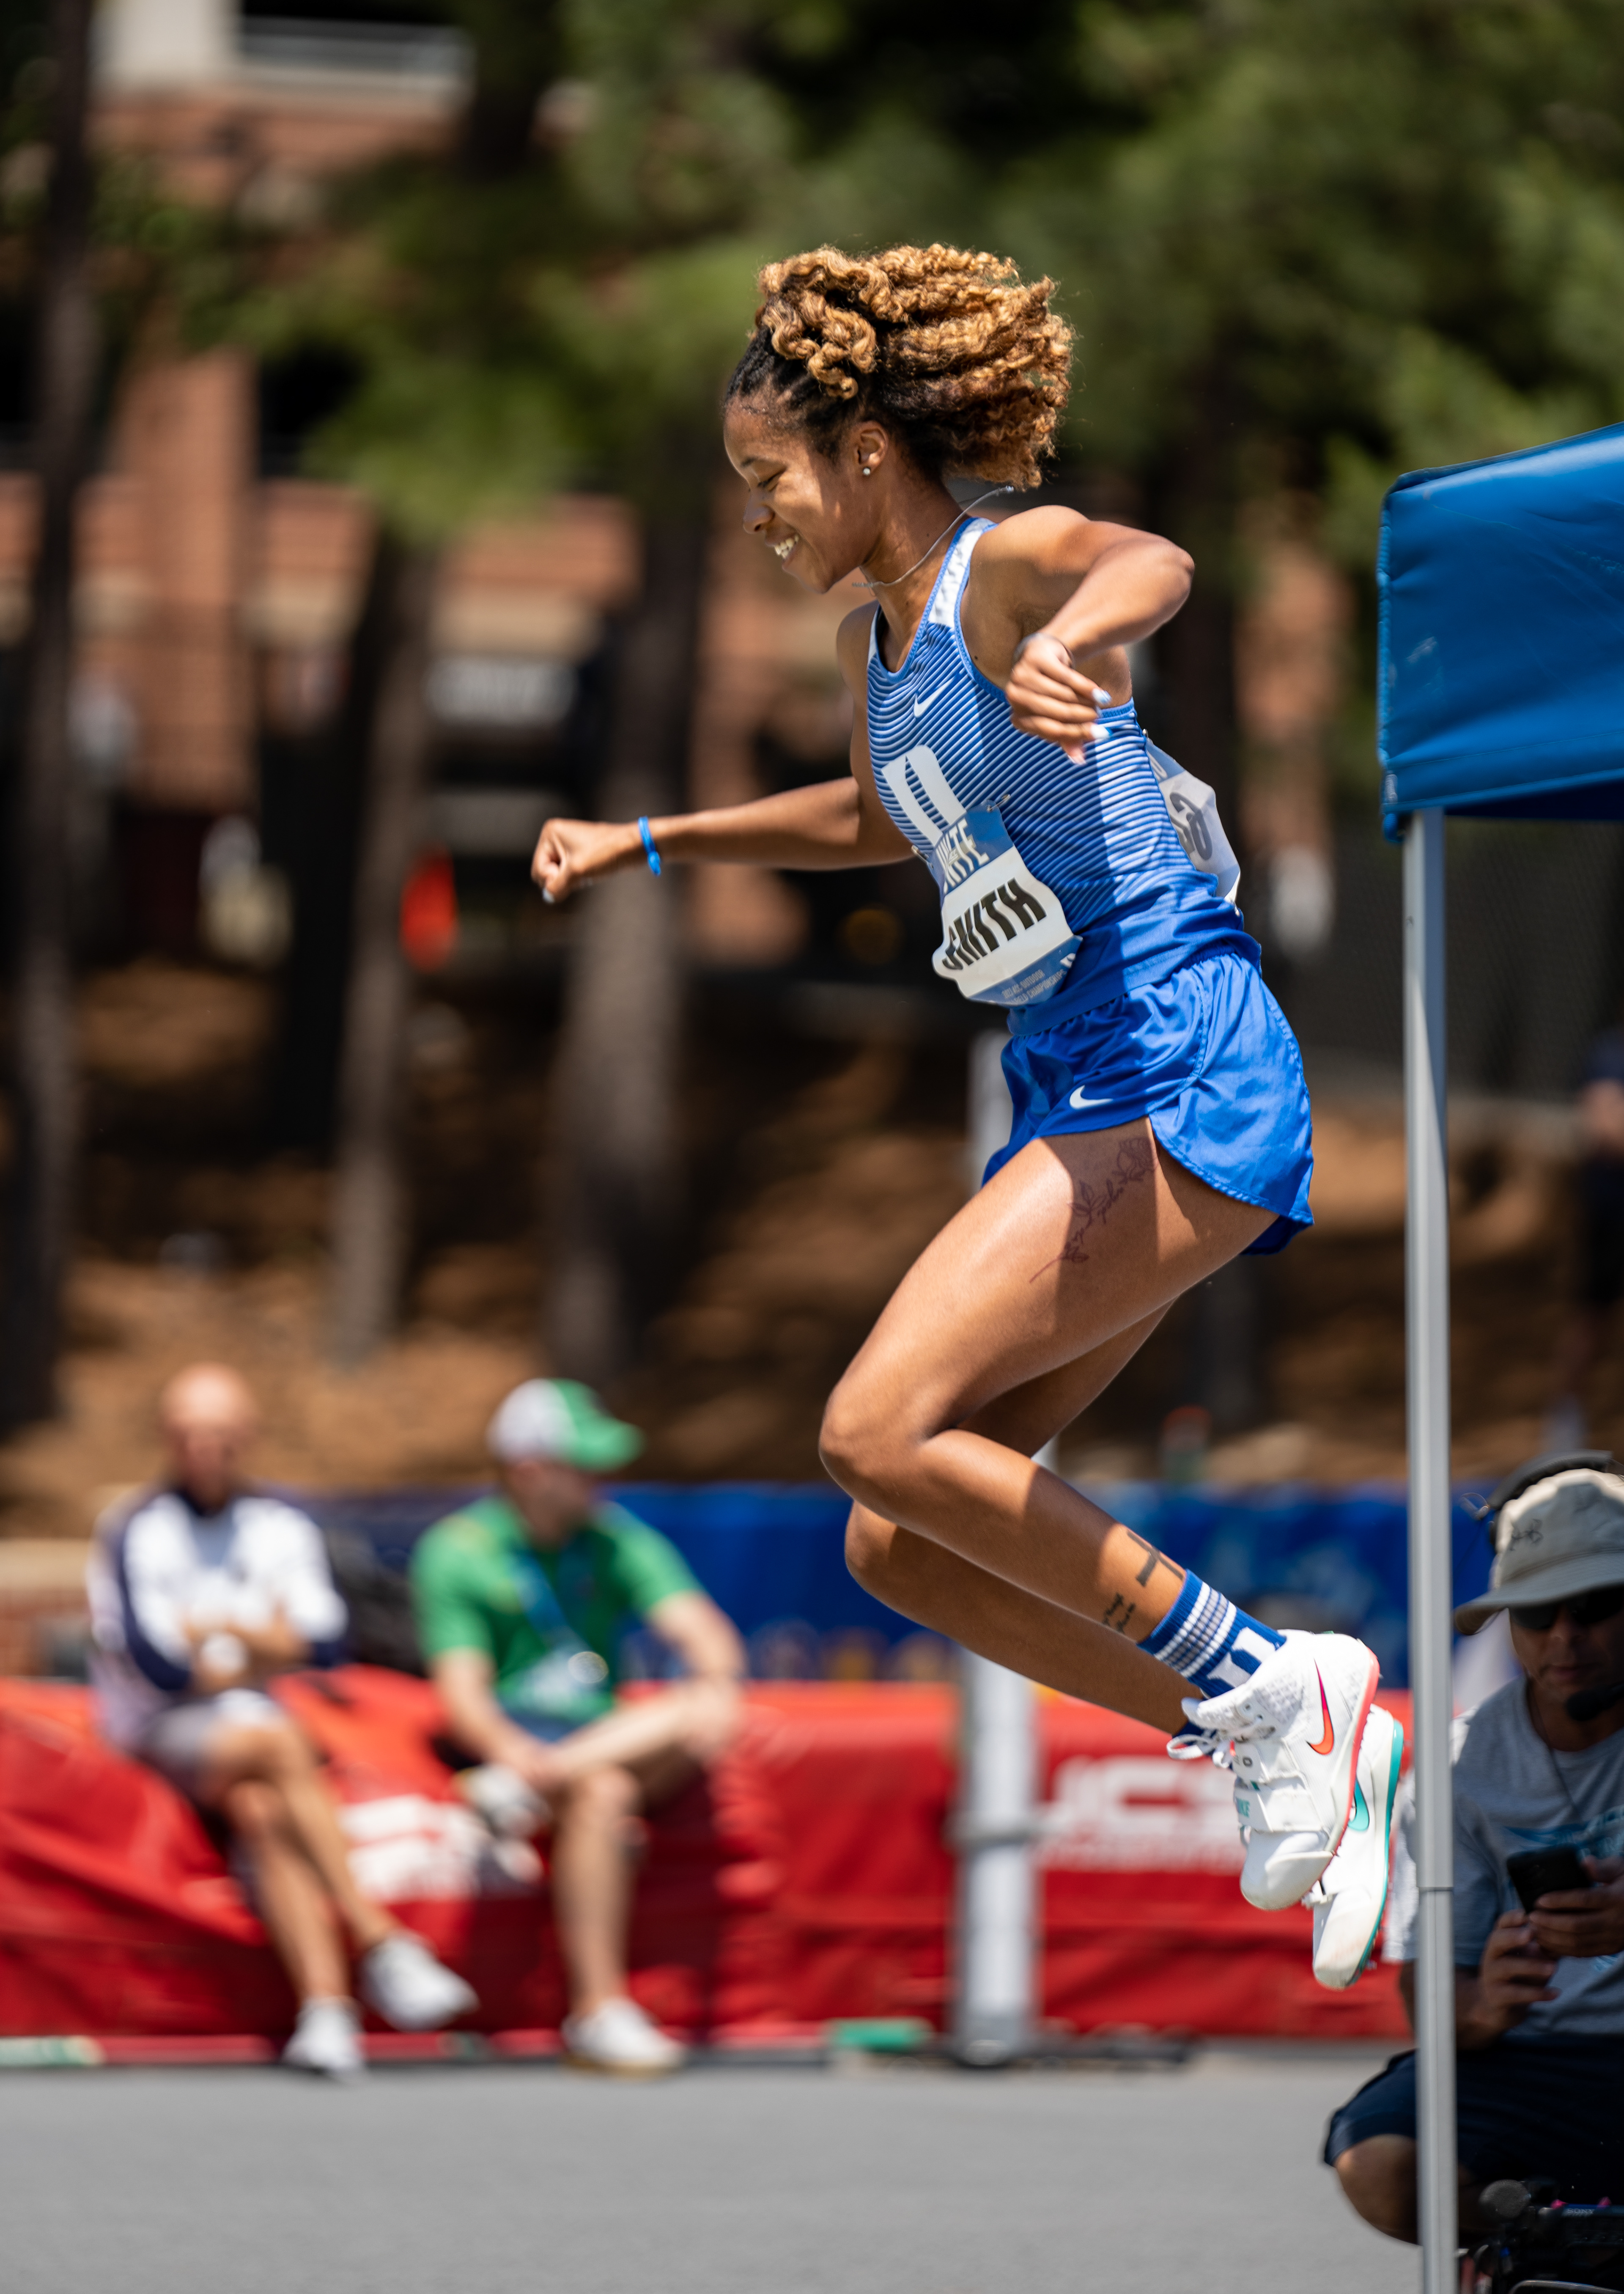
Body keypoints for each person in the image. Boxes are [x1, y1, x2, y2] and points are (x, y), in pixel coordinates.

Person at [532, 241, 1397, 1927]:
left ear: (865, 456)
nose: (757, 517)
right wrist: (652, 836)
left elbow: (1154, 556)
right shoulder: (883, 647)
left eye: (764, 478)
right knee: (900, 1541)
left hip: (1177, 1057)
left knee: (869, 1428)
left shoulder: (1000, 575)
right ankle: (1279, 1730)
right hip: (1079, 1084)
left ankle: (1277, 1677)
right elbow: (872, 819)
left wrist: (1078, 635)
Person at [88, 1364, 477, 2080]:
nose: (206, 1449)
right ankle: (380, 1938)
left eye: (221, 1434)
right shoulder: (136, 1528)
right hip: (164, 1730)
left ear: (247, 1437)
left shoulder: (280, 1522)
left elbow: (328, 1640)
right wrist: (263, 1641)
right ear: (167, 1438)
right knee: (278, 1744)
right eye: (190, 1434)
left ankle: (326, 2012)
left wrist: (214, 1637)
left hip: (249, 1732)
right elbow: (160, 1668)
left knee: (263, 1810)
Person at [1327, 1455, 1624, 2241]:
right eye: (1534, 1612)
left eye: (1595, 1604)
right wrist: (1485, 2003)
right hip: (1530, 2065)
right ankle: (1550, 2271)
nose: (1565, 1637)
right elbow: (1434, 2002)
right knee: (1381, 2164)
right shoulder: (1457, 1770)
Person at [411, 1379, 745, 2075]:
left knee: (699, 1707)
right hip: (517, 1735)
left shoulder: (614, 1539)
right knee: (606, 1794)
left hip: (575, 1745)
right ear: (530, 1469)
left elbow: (704, 1634)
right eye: (584, 1465)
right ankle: (597, 2009)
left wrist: (714, 1677)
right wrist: (513, 1751)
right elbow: (462, 1694)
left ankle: (528, 1791)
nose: (602, 1480)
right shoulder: (461, 1550)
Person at [1547, 1014, 1624, 1449]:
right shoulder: (1608, 1054)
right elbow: (1604, 1130)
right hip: (1610, 1214)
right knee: (1591, 1319)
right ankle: (1565, 1422)